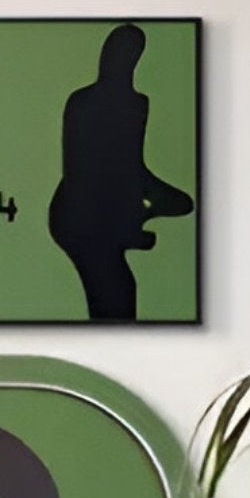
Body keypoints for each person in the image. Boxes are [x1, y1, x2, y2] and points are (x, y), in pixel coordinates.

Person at [48, 23, 194, 321]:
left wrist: (150, 204)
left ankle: (130, 228)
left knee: (119, 287)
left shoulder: (135, 104)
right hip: (82, 210)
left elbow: (130, 164)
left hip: (112, 199)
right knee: (117, 288)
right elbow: (81, 167)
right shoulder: (83, 102)